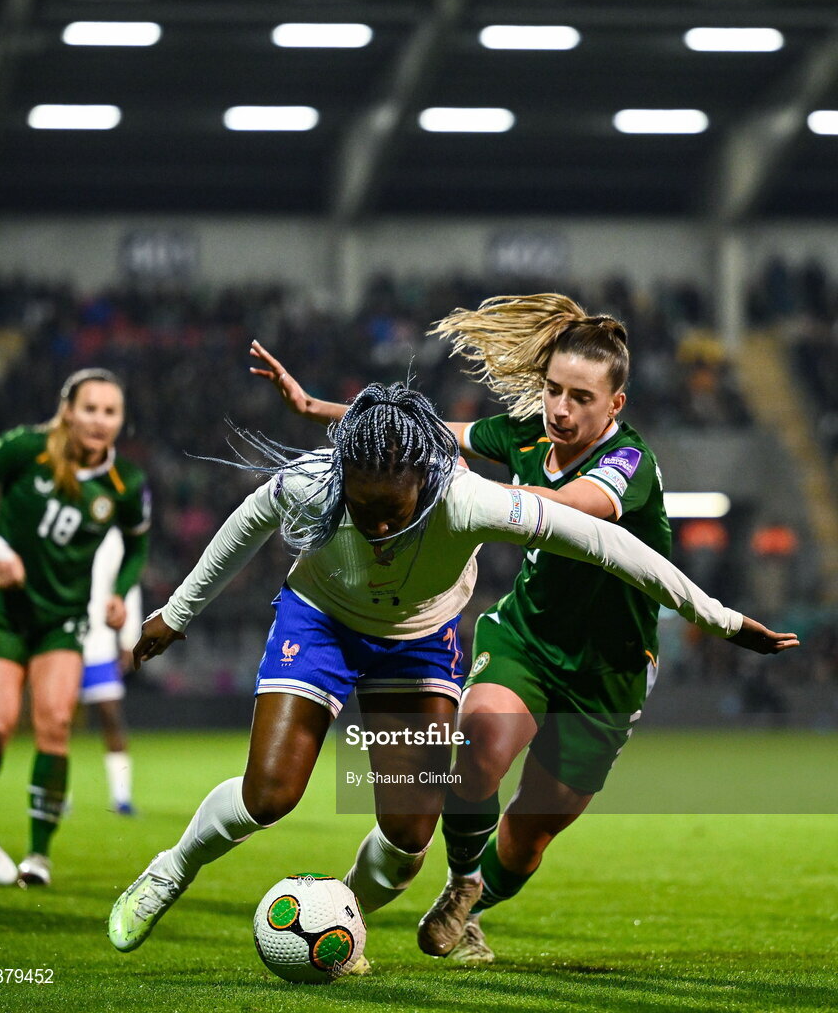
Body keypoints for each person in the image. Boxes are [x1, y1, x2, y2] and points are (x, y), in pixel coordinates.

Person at [107, 380, 794, 966]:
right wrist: (176, 612)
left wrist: (719, 617)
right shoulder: (313, 483)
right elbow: (246, 524)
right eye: (362, 507)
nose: (376, 527)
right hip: (320, 623)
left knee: (408, 836)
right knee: (271, 794)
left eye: (392, 511)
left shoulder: (468, 499)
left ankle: (342, 918)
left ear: (425, 484)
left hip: (415, 644)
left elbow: (607, 543)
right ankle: (169, 872)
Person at [248, 291, 783, 966]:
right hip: (524, 639)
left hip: (607, 673)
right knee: (480, 744)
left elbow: (567, 510)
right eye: (554, 391)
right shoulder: (527, 433)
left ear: (614, 405)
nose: (561, 409)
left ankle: (469, 895)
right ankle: (462, 880)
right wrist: (320, 410)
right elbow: (423, 434)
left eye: (581, 398)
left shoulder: (630, 465)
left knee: (531, 833)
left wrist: (474, 494)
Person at [0, 368, 150, 887]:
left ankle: (38, 857)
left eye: (110, 412)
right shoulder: (26, 448)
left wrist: (118, 592)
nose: (100, 420)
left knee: (55, 724)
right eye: (90, 409)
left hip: (62, 620)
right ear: (68, 410)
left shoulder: (125, 482)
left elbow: (136, 544)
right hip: (2, 609)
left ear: (120, 420)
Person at [81, 526, 142, 815]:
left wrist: (129, 638)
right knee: (57, 720)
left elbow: (127, 585)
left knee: (110, 716)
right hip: (61, 638)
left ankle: (121, 797)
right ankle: (56, 796)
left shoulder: (113, 534)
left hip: (99, 639)